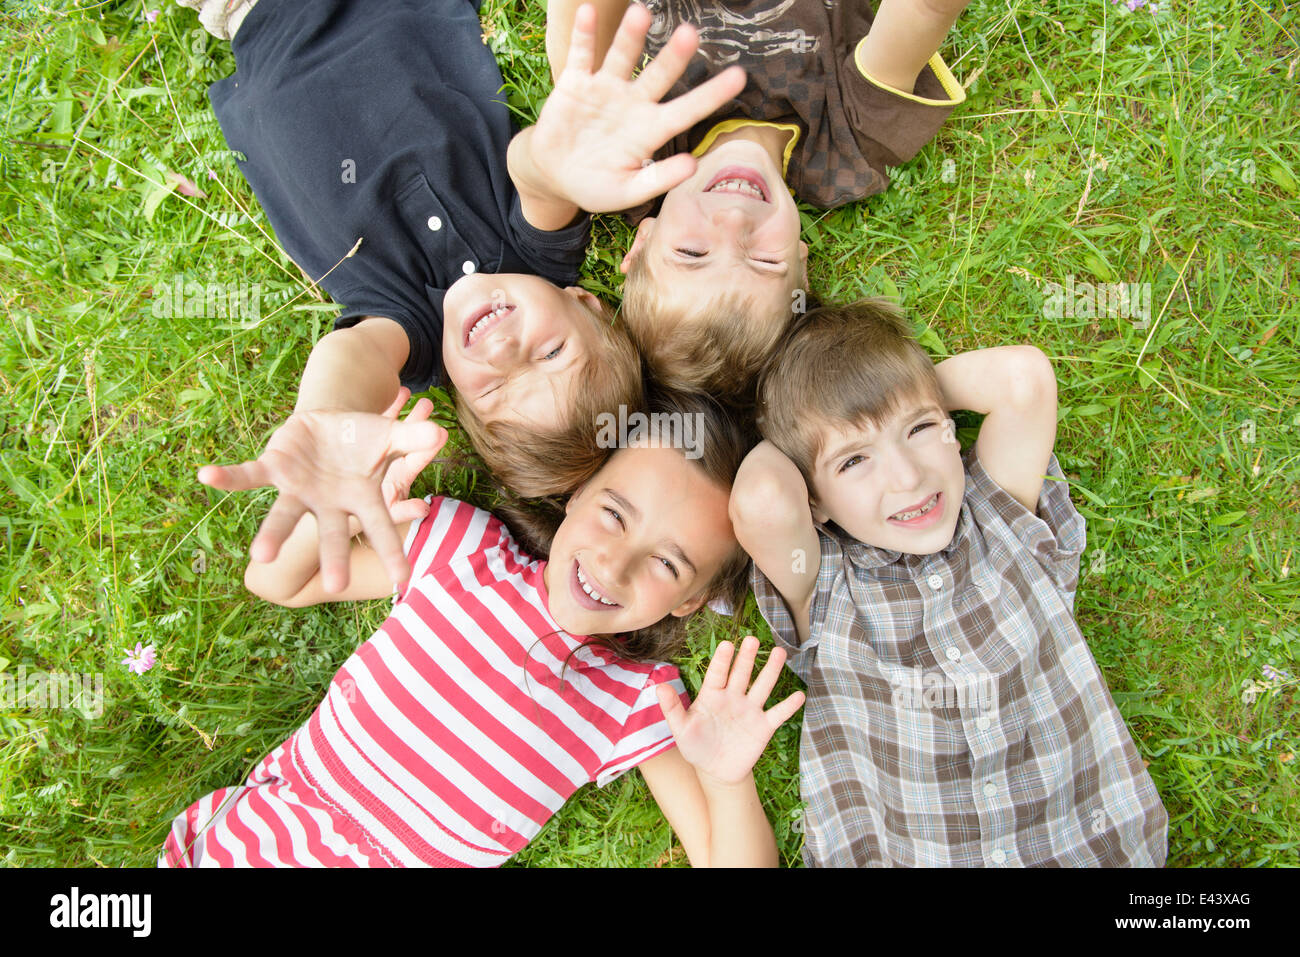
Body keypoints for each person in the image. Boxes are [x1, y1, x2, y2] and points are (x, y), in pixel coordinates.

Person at [177, 0, 745, 591]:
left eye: (496, 387)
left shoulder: (410, 333)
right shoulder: (539, 257)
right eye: (550, 353)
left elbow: (355, 358)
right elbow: (540, 177)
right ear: (584, 303)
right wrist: (558, 162)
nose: (503, 350)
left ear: (461, 399)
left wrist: (330, 419)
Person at [163, 388, 804, 867]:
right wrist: (349, 506)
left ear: (691, 601)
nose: (616, 562)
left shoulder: (637, 699)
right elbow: (278, 581)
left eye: (668, 563)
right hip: (260, 836)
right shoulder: (464, 548)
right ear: (578, 492)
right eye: (613, 514)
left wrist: (727, 782)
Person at [729, 300, 1168, 866]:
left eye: (919, 428)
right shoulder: (826, 589)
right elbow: (761, 501)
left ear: (951, 428)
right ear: (812, 500)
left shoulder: (1003, 519)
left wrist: (902, 384)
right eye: (853, 462)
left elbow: (1022, 378)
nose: (908, 476)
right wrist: (801, 421)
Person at [548, 0, 971, 401]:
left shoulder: (632, 154)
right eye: (765, 262)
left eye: (692, 252)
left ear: (643, 241)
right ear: (801, 267)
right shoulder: (848, 152)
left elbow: (580, 36)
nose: (734, 220)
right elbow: (925, 9)